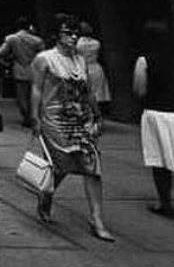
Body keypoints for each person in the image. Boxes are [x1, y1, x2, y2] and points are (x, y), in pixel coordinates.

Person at [29, 17, 114, 241]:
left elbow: (88, 90)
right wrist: (34, 117)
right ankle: (46, 193)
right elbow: (36, 89)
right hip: (54, 119)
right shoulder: (44, 59)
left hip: (80, 119)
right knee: (61, 164)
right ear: (57, 35)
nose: (74, 37)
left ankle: (97, 219)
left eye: (76, 33)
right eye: (68, 32)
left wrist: (97, 114)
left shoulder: (80, 60)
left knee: (92, 165)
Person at [132, 19, 174, 219]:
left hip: (157, 113)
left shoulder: (144, 60)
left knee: (160, 160)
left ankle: (165, 202)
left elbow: (139, 90)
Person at [0, 17, 44, 127]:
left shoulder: (11, 39)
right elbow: (43, 55)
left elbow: (1, 52)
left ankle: (26, 116)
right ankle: (34, 116)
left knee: (21, 96)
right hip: (35, 69)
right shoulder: (37, 40)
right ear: (29, 27)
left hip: (19, 68)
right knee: (34, 94)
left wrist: (10, 57)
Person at [76, 20, 111, 116]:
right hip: (96, 68)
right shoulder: (96, 43)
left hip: (82, 68)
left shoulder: (77, 44)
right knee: (98, 94)